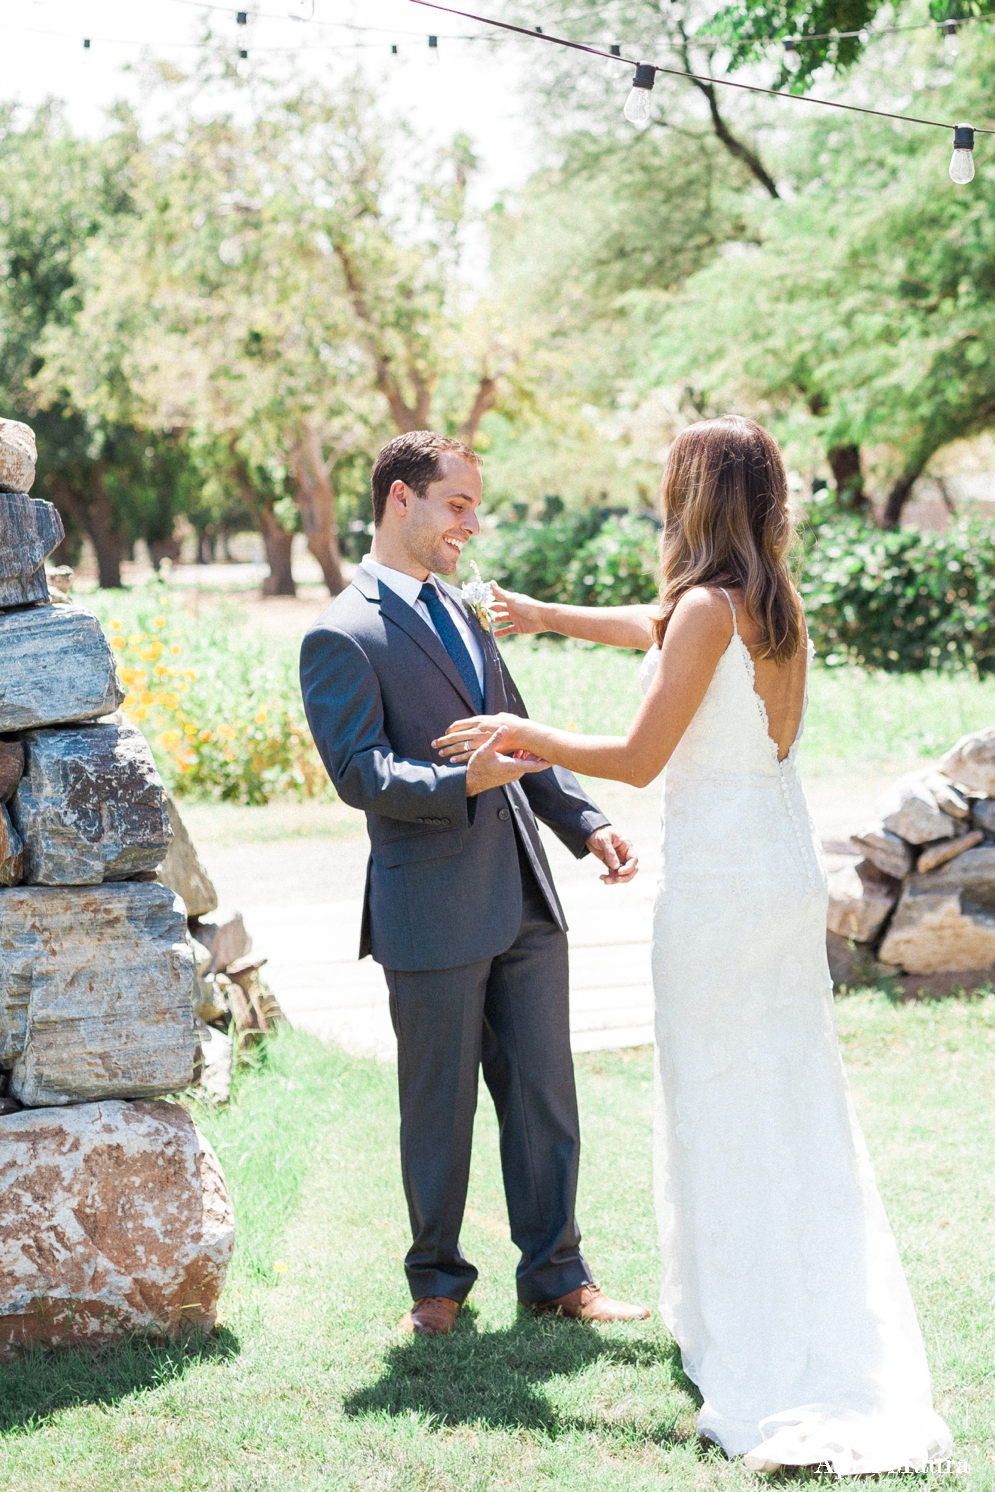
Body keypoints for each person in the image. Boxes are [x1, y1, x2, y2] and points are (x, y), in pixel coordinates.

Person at [434, 415, 952, 1473]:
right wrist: (540, 614)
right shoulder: (759, 599)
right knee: (781, 1090)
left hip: (720, 887)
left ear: (691, 500)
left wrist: (516, 732)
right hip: (773, 869)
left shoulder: (708, 610)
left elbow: (633, 758)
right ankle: (775, 1294)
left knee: (720, 1095)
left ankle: (752, 1331)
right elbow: (656, 624)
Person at [300, 429, 649, 1338]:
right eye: (457, 505)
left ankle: (557, 1276)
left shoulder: (464, 609)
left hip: (525, 895)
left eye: (474, 507)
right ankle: (438, 1287)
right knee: (438, 1106)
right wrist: (462, 782)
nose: (470, 524)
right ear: (399, 500)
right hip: (428, 907)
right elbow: (359, 774)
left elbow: (519, 737)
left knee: (544, 1097)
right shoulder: (339, 631)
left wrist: (586, 822)